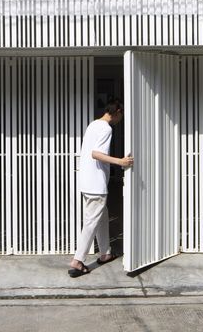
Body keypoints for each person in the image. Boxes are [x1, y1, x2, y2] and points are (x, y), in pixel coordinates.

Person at [68, 98, 133, 278]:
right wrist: (120, 161)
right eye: (122, 114)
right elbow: (96, 153)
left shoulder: (93, 124)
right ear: (118, 111)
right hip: (95, 184)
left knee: (102, 217)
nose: (122, 119)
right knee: (91, 221)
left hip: (87, 182)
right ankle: (78, 260)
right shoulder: (106, 128)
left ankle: (105, 253)